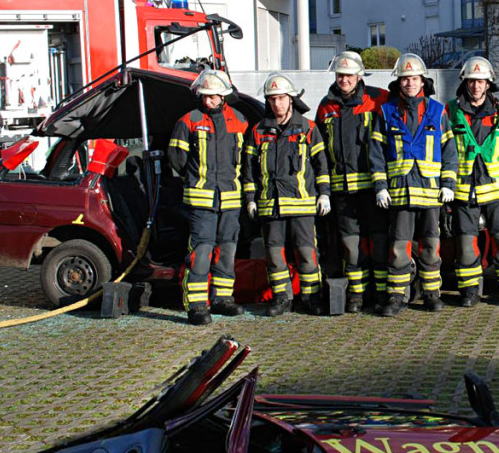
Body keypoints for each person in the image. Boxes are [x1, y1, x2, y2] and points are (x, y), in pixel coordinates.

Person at [369, 53, 458, 317]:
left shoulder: (437, 111)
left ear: (423, 81)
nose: (410, 83)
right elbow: (376, 152)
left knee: (431, 245)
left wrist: (449, 184)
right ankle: (398, 296)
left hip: (431, 194)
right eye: (405, 79)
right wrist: (380, 186)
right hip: (400, 193)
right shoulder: (386, 113)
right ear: (399, 82)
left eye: (414, 78)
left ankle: (432, 294)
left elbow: (450, 150)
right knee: (399, 247)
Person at [242, 74, 331, 317]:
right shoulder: (258, 131)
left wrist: (324, 194)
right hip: (270, 205)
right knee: (274, 254)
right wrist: (250, 200)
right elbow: (249, 170)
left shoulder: (308, 129)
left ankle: (311, 297)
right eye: (271, 99)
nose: (276, 104)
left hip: (302, 205)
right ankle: (282, 298)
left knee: (306, 251)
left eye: (281, 98)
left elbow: (322, 166)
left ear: (290, 99)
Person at [167, 69, 248, 326]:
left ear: (224, 96)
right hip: (201, 200)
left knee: (227, 249)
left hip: (231, 199)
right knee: (200, 252)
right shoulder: (188, 121)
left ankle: (222, 298)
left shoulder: (240, 120)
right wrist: (195, 181)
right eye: (205, 96)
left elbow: (247, 161)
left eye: (213, 96)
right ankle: (197, 305)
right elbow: (176, 160)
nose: (208, 101)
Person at [447, 57, 499, 307]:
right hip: (464, 190)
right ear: (465, 83)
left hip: (497, 189)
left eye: (480, 81)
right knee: (466, 244)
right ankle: (470, 291)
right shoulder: (451, 111)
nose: (476, 86)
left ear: (489, 83)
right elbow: (444, 150)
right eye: (471, 81)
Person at [316, 51, 389, 314]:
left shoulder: (378, 99)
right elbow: (320, 151)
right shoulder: (326, 106)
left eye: (348, 75)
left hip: (373, 188)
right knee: (351, 246)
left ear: (359, 76)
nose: (344, 80)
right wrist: (323, 191)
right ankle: (356, 295)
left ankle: (381, 293)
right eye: (340, 75)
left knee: (379, 242)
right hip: (341, 191)